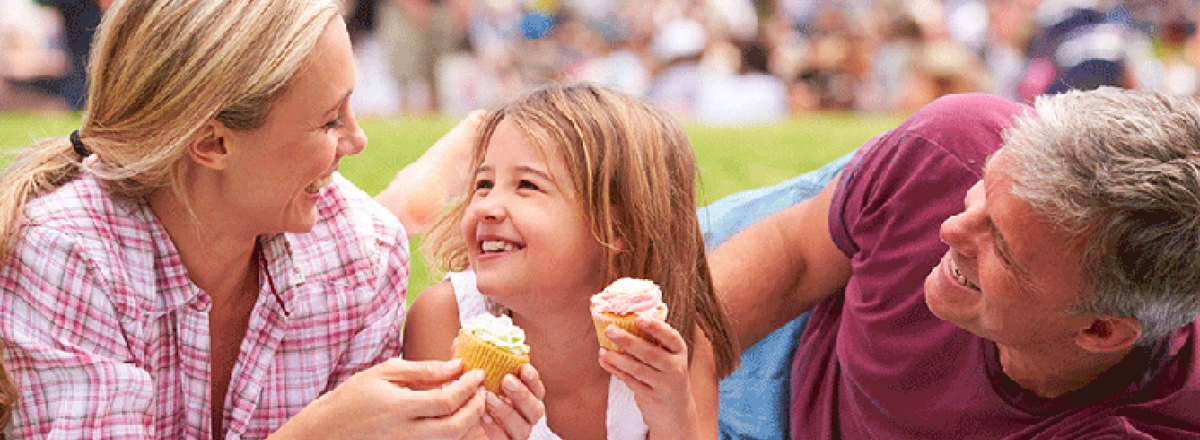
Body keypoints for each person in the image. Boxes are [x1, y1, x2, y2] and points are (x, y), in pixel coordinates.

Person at [0, 0, 544, 438]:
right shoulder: (67, 251)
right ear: (213, 142)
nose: (357, 140)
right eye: (330, 120)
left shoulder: (364, 251)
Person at [710, 87, 1200, 438]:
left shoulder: (1139, 421)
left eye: (1002, 248)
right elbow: (794, 257)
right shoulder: (952, 149)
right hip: (808, 310)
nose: (950, 230)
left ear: (1100, 331)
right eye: (985, 190)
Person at [404, 83, 739, 439]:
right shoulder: (447, 321)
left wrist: (676, 421)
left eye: (527, 186)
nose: (486, 206)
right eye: (484, 183)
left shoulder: (671, 347)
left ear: (617, 227)